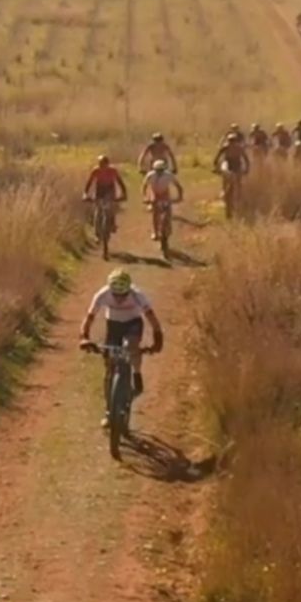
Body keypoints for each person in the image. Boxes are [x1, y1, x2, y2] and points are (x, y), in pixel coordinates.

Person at [80, 269, 165, 427]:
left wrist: (158, 339)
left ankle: (137, 373)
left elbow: (152, 319)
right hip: (113, 326)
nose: (119, 299)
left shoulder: (138, 295)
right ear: (110, 290)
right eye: (115, 295)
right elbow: (89, 317)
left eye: (123, 295)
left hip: (133, 324)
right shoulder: (103, 294)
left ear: (129, 290)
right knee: (109, 367)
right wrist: (84, 336)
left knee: (132, 346)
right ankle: (108, 411)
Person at [141, 159, 184, 242]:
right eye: (157, 170)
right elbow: (144, 186)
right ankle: (155, 231)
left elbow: (178, 186)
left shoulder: (169, 175)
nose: (159, 172)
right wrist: (145, 197)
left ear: (164, 169)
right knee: (155, 213)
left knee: (168, 210)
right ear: (154, 169)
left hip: (165, 194)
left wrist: (180, 197)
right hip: (155, 194)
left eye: (161, 170)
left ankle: (168, 225)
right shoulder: (150, 175)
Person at [83, 155, 127, 233]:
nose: (102, 167)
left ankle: (112, 223)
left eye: (104, 164)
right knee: (98, 209)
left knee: (111, 206)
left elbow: (120, 182)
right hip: (99, 189)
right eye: (100, 164)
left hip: (109, 188)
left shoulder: (113, 171)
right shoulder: (95, 171)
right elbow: (89, 183)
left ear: (107, 164)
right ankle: (96, 230)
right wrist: (85, 193)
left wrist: (124, 193)